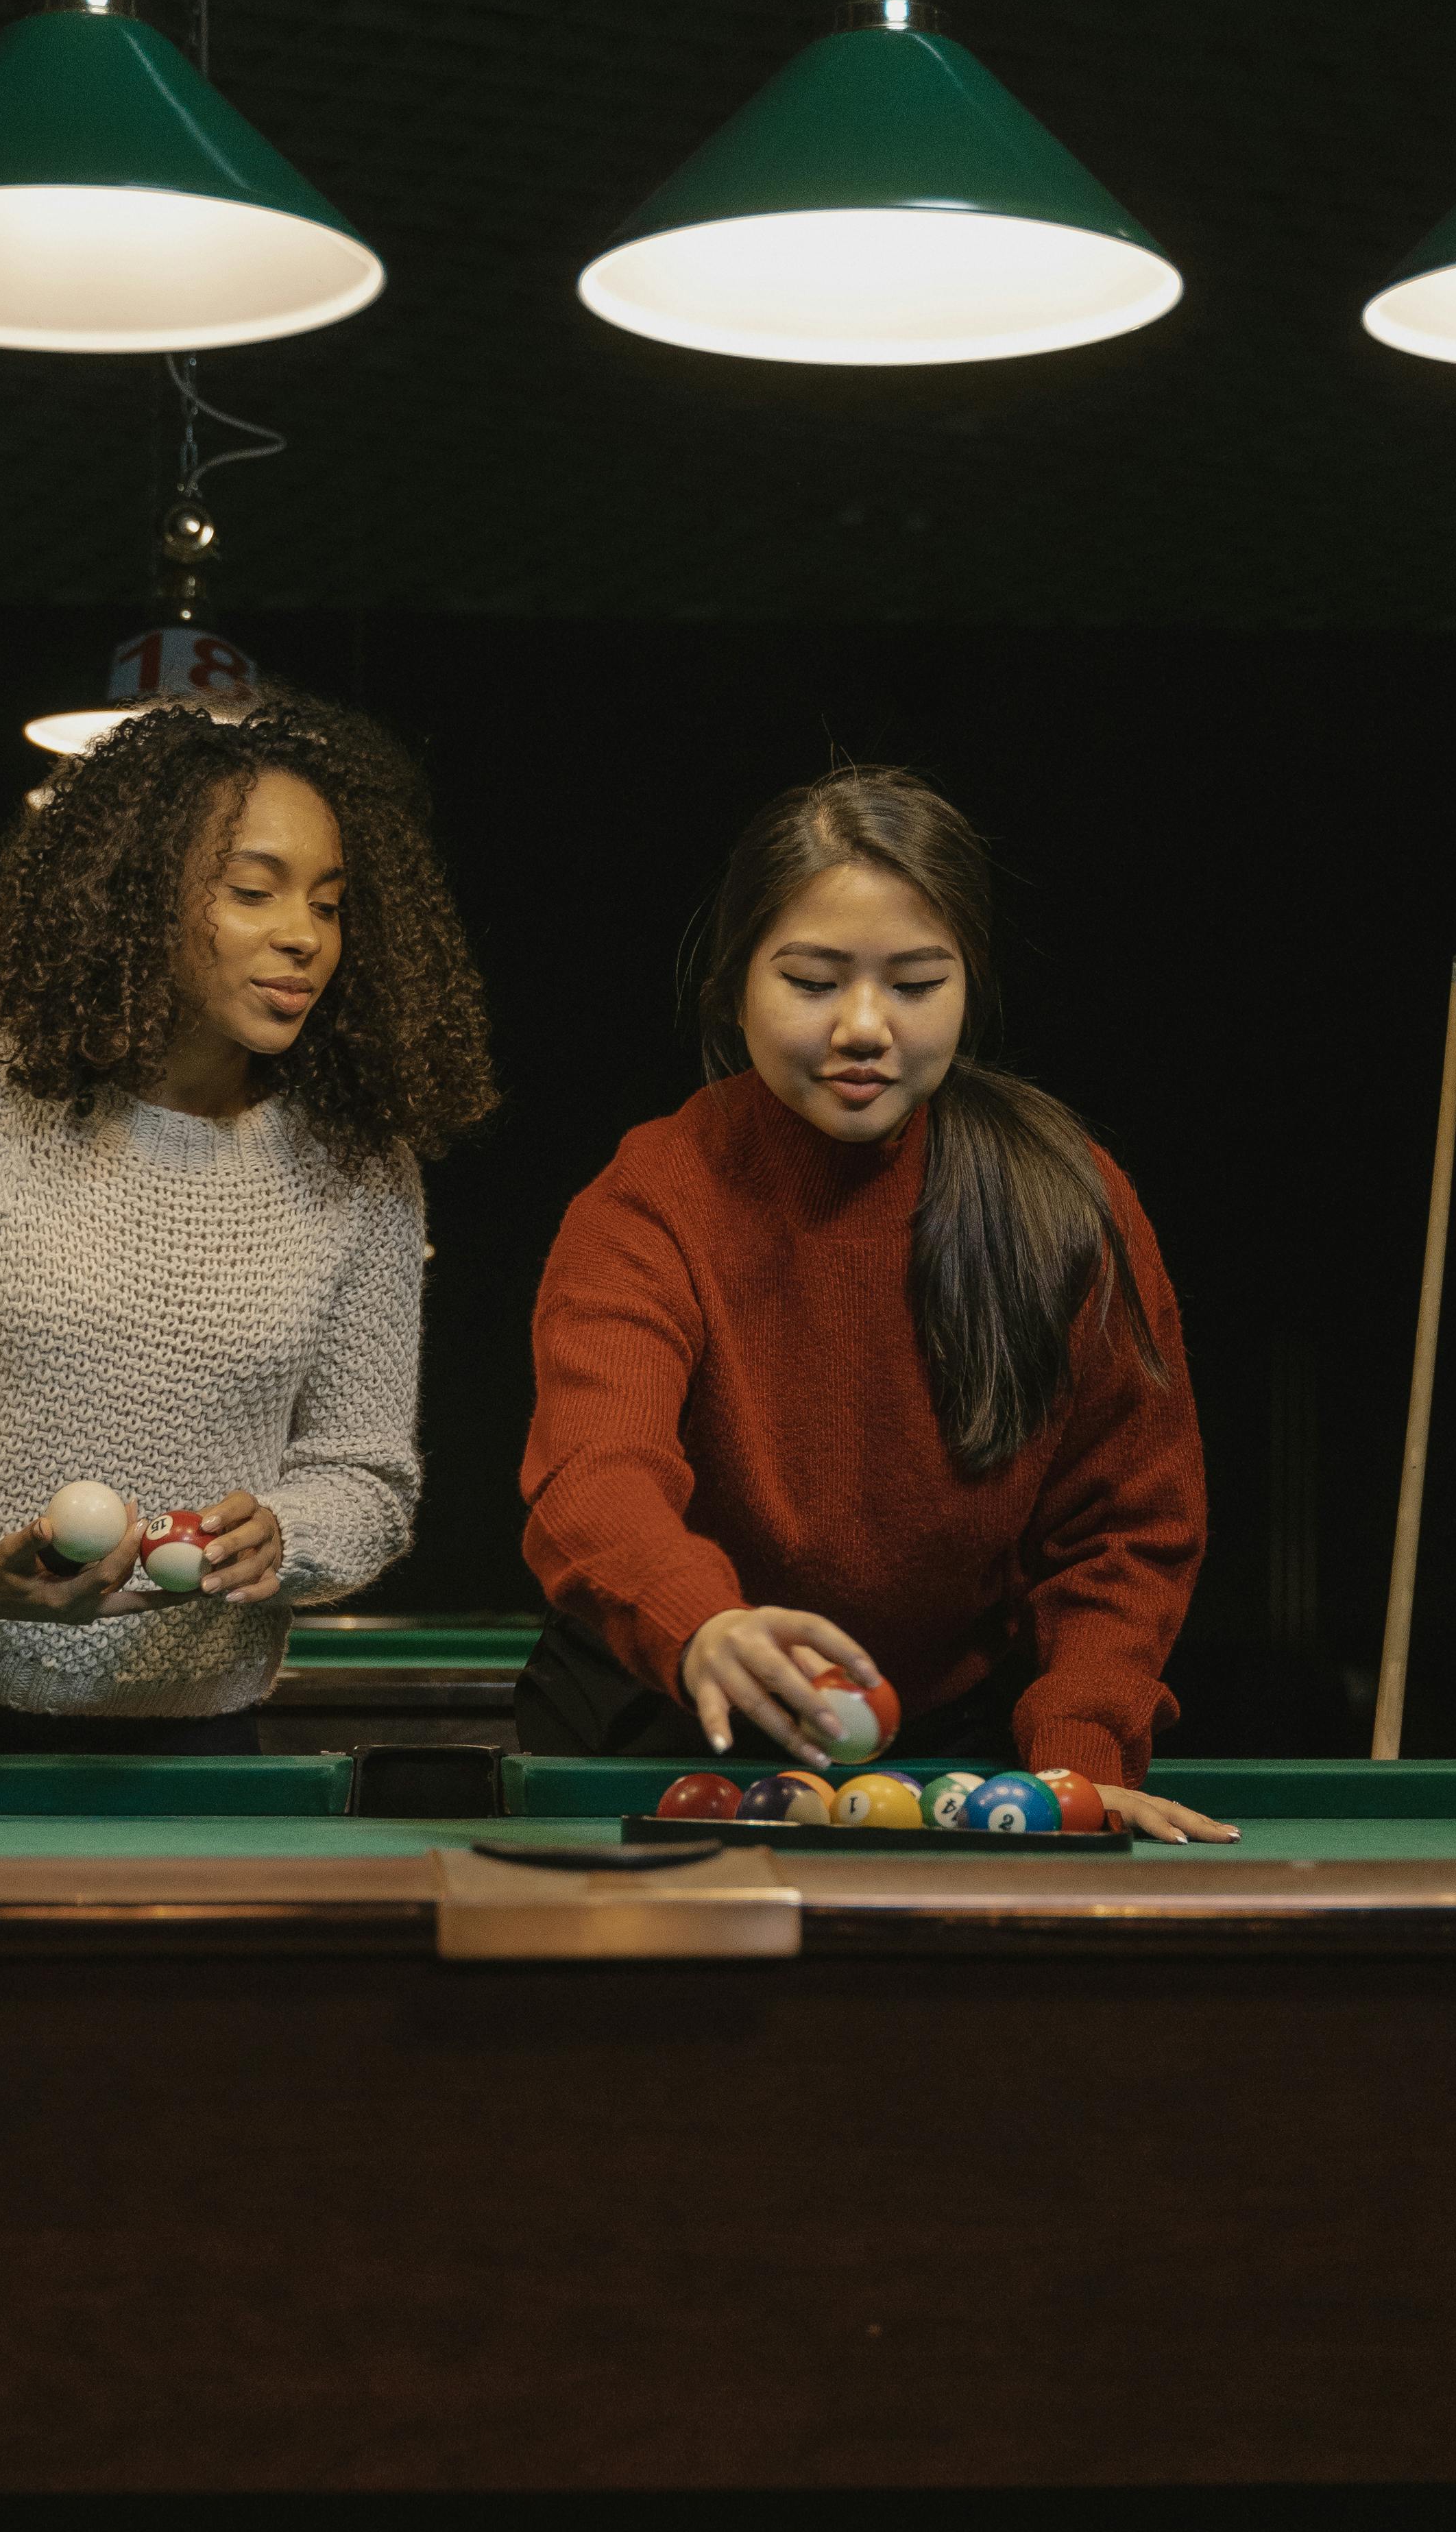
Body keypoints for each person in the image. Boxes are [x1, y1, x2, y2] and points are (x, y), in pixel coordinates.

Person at [0, 690, 496, 1755]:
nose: (302, 940)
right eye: (253, 892)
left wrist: (290, 1539)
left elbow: (364, 1480)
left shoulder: (363, 1166)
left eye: (328, 905)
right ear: (139, 899)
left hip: (190, 1741)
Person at [516, 764, 1230, 1844]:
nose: (863, 1025)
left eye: (913, 982)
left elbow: (1126, 1531)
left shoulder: (1059, 1195)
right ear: (735, 982)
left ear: (968, 984)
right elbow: (593, 1474)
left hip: (964, 1749)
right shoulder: (651, 1196)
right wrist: (700, 1622)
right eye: (810, 981)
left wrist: (1076, 1765)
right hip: (666, 1722)